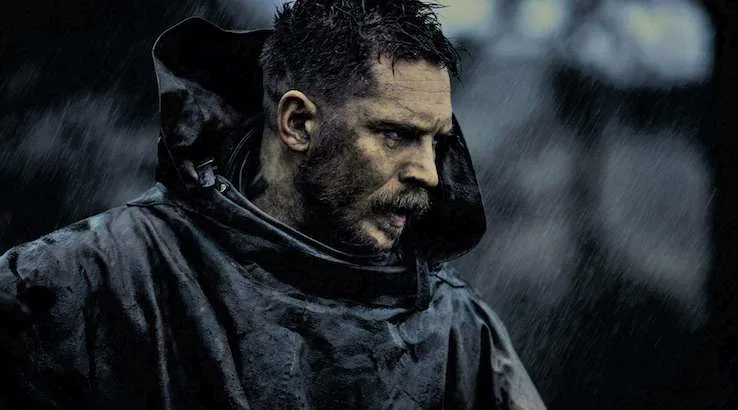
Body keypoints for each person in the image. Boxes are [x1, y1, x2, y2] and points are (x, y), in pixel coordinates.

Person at [0, 1, 546, 409]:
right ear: (298, 123)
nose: (428, 172)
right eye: (396, 134)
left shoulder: (455, 330)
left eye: (437, 141)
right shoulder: (74, 284)